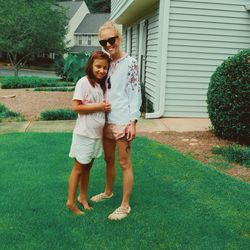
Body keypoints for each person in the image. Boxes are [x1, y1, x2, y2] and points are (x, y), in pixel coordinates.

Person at [89, 21, 142, 220]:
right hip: (105, 121)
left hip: (122, 120)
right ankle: (108, 192)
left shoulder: (131, 63)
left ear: (119, 38)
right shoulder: (104, 61)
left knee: (124, 162)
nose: (109, 45)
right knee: (108, 159)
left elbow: (135, 92)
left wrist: (133, 121)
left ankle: (125, 205)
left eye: (112, 40)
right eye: (104, 42)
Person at [66, 51, 111, 215]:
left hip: (95, 135)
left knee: (88, 168)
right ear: (90, 65)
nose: (101, 70)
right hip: (84, 134)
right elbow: (76, 107)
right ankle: (70, 202)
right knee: (78, 168)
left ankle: (82, 197)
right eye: (98, 66)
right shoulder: (83, 82)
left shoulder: (99, 85)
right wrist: (99, 107)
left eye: (105, 68)